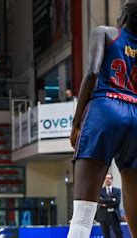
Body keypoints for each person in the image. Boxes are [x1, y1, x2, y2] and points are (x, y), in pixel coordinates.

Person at [67, 1, 137, 237]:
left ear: (123, 17)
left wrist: (77, 122)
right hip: (136, 112)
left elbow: (93, 72)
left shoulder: (105, 33)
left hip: (106, 106)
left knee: (83, 211)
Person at [96, 174, 123, 238]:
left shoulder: (117, 191)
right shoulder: (100, 191)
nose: (107, 180)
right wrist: (111, 199)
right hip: (104, 216)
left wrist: (105, 203)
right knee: (106, 235)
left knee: (118, 234)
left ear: (112, 180)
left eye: (109, 178)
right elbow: (99, 201)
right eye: (106, 178)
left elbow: (117, 202)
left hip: (114, 215)